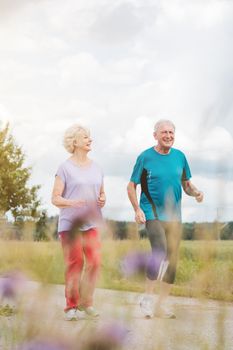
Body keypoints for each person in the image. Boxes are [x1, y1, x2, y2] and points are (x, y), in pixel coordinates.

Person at [127, 119, 203, 319]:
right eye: (164, 132)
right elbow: (131, 185)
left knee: (173, 260)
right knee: (159, 250)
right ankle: (147, 299)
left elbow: (186, 184)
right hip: (151, 212)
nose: (168, 136)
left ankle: (162, 304)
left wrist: (196, 192)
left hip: (174, 216)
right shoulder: (145, 157)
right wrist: (137, 209)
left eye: (171, 132)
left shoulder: (180, 157)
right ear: (155, 135)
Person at [51, 124, 106, 321]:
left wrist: (102, 199)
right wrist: (71, 202)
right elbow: (55, 198)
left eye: (89, 137)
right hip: (70, 224)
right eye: (85, 137)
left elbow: (101, 193)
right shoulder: (64, 168)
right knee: (75, 263)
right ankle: (71, 306)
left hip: (92, 222)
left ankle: (86, 302)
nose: (89, 140)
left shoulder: (97, 167)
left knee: (95, 262)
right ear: (74, 142)